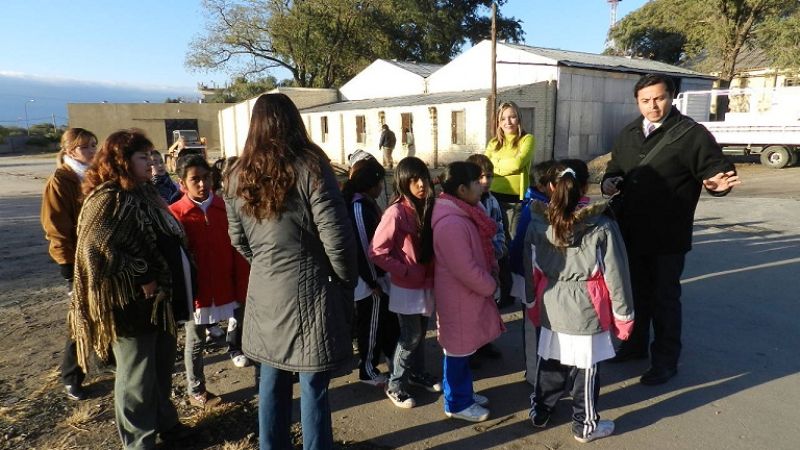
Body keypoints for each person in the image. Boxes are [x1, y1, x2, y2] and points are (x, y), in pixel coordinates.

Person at [223, 93, 357, 450]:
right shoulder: (310, 165)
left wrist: (267, 264)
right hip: (309, 289)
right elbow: (337, 236)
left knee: (271, 376)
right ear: (293, 121)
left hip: (265, 289)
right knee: (313, 383)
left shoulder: (237, 173)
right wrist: (346, 280)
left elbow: (238, 240)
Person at [602, 73, 741, 385]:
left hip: (668, 235)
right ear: (637, 102)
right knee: (634, 294)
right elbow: (614, 169)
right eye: (645, 100)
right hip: (630, 233)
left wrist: (716, 184)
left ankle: (665, 360)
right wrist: (609, 182)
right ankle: (634, 346)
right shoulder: (628, 133)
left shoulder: (691, 134)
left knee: (665, 299)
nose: (653, 106)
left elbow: (716, 170)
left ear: (672, 96)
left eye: (659, 98)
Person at [69, 129, 193, 449]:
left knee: (162, 368)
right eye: (142, 157)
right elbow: (94, 250)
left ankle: (167, 424)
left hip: (161, 302)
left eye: (152, 156)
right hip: (130, 305)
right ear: (121, 161)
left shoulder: (144, 192)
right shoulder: (109, 197)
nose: (151, 163)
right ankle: (138, 441)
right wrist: (142, 275)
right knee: (136, 376)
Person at [524, 162, 634, 444]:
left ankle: (540, 410)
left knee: (550, 358)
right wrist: (624, 315)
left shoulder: (538, 222)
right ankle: (584, 425)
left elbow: (531, 268)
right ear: (585, 188)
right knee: (586, 367)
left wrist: (532, 302)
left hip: (551, 301)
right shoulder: (602, 226)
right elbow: (616, 275)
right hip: (587, 306)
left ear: (552, 187)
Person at [432, 161, 505, 422]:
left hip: (464, 297)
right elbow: (465, 268)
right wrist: (490, 285)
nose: (482, 185)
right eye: (477, 181)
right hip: (459, 299)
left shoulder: (463, 212)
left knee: (461, 351)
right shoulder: (452, 222)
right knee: (456, 353)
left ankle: (463, 394)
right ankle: (457, 403)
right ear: (463, 189)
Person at [169, 154, 243, 408]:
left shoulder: (225, 208)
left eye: (206, 177)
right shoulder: (176, 214)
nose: (202, 184)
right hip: (197, 291)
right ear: (182, 184)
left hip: (227, 284)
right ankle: (196, 388)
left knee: (243, 326)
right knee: (196, 341)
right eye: (195, 180)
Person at [369, 156, 441, 409]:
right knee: (410, 336)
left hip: (425, 284)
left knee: (420, 333)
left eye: (423, 177)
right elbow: (377, 251)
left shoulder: (426, 206)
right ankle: (396, 384)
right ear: (402, 182)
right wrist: (405, 271)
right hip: (406, 287)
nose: (421, 184)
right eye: (413, 179)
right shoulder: (396, 212)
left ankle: (416, 374)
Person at [40, 127, 98, 401]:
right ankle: (71, 375)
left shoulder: (94, 175)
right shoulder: (61, 181)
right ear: (69, 150)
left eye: (93, 145)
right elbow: (56, 228)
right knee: (81, 317)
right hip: (78, 262)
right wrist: (67, 266)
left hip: (100, 257)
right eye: (86, 146)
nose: (92, 151)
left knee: (103, 310)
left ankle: (103, 359)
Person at [342, 157, 399, 387]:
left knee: (380, 321)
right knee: (370, 324)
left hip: (374, 278)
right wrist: (373, 280)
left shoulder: (366, 203)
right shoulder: (358, 207)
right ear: (371, 184)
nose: (381, 189)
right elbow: (365, 249)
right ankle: (367, 369)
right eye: (379, 184)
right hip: (367, 281)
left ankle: (383, 357)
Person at [465, 153, 505, 363]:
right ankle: (470, 349)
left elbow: (498, 227)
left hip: (491, 261)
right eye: (480, 177)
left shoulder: (492, 201)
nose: (486, 181)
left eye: (489, 176)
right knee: (471, 309)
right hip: (473, 264)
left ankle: (484, 342)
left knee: (489, 305)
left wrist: (498, 250)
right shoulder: (466, 204)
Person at [485, 101, 535, 237]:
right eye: (503, 118)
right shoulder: (494, 143)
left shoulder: (527, 139)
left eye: (512, 117)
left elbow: (517, 164)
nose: (508, 121)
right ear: (499, 122)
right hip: (492, 197)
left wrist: (496, 165)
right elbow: (485, 166)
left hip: (514, 201)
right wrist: (506, 166)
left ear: (518, 118)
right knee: (494, 237)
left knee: (512, 239)